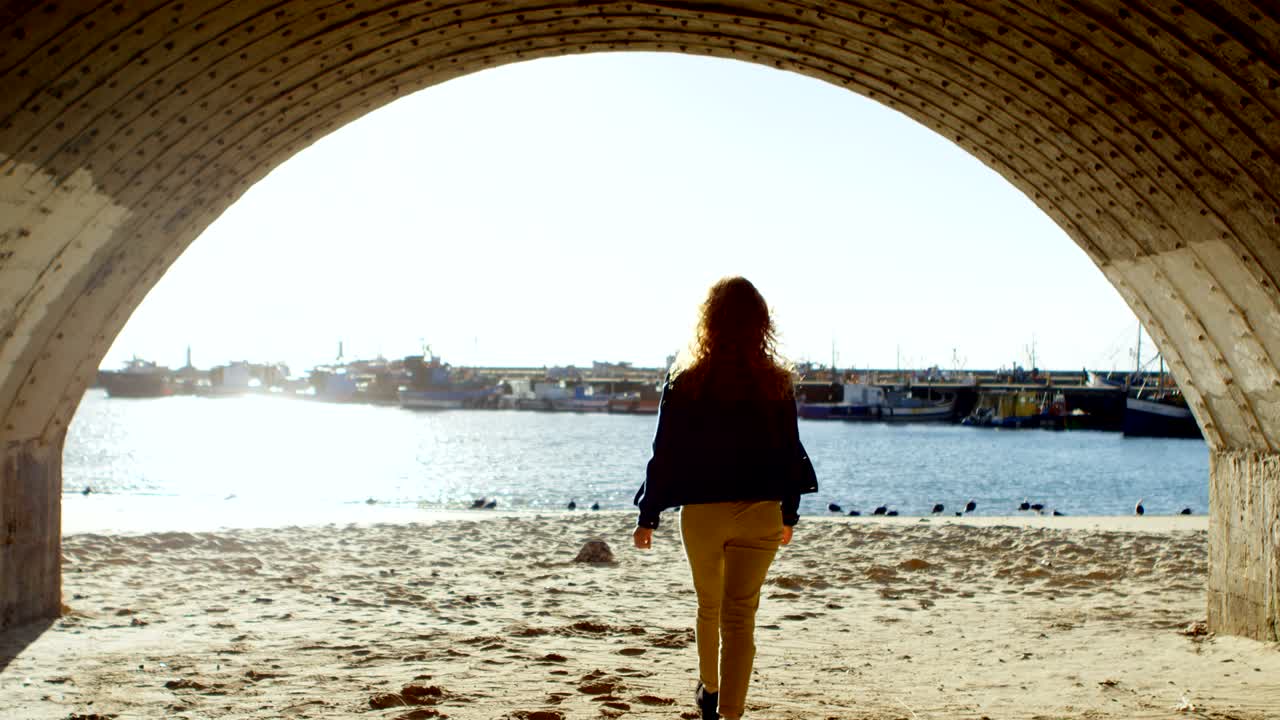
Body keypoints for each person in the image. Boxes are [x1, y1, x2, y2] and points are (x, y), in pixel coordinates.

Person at [632, 276, 818, 720]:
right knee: (740, 619)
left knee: (708, 605)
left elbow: (666, 452)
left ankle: (709, 689)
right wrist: (789, 512)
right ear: (762, 324)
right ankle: (730, 715)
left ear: (708, 321)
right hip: (761, 513)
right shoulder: (776, 382)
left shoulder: (685, 380)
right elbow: (788, 451)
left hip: (704, 514)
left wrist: (648, 515)